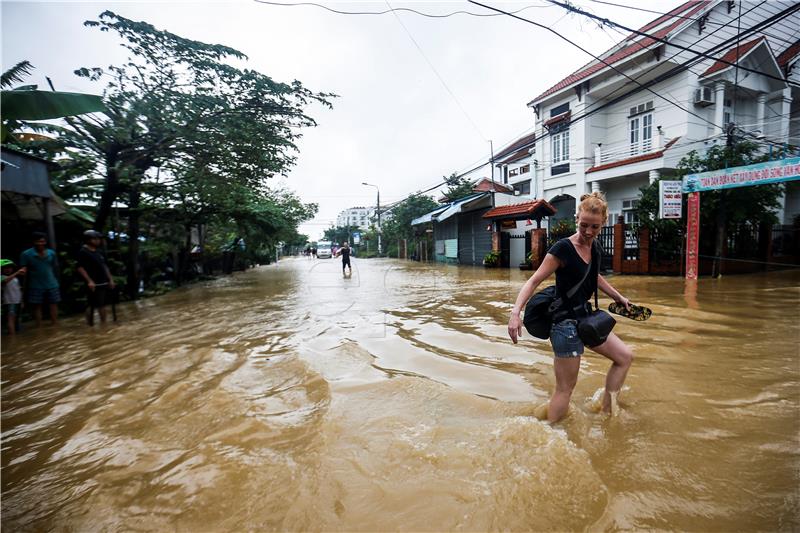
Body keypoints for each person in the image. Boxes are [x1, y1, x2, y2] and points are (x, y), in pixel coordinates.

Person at [508, 192, 634, 423]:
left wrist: (619, 297)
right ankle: (551, 433)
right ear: (577, 219)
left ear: (603, 223)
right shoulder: (562, 248)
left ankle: (607, 410)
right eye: (584, 225)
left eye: (594, 227)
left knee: (624, 357)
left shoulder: (595, 247)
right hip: (564, 324)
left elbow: (594, 277)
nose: (588, 232)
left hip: (585, 317)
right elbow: (534, 280)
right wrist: (516, 313)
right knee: (565, 388)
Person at [19, 232, 61, 327]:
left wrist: (57, 280)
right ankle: (39, 326)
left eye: (42, 241)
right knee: (37, 306)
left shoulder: (51, 253)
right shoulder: (26, 254)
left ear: (45, 242)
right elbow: (23, 268)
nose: (41, 244)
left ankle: (55, 324)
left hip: (52, 283)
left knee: (53, 304)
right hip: (35, 285)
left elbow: (55, 267)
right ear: (34, 242)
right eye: (38, 241)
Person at [77, 230, 116, 325]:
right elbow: (80, 268)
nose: (98, 241)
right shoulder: (83, 252)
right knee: (92, 304)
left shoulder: (99, 251)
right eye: (96, 239)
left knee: (102, 303)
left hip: (102, 281)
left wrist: (110, 279)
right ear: (89, 240)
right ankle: (90, 324)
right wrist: (89, 281)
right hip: (92, 283)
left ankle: (104, 324)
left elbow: (104, 266)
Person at [1, 259, 25, 335]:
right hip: (9, 302)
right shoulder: (2, 277)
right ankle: (12, 336)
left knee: (17, 320)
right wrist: (17, 272)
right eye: (5, 268)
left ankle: (14, 337)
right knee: (11, 320)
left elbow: (19, 290)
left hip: (17, 302)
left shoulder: (15, 279)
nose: (8, 269)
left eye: (10, 267)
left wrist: (21, 301)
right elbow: (4, 281)